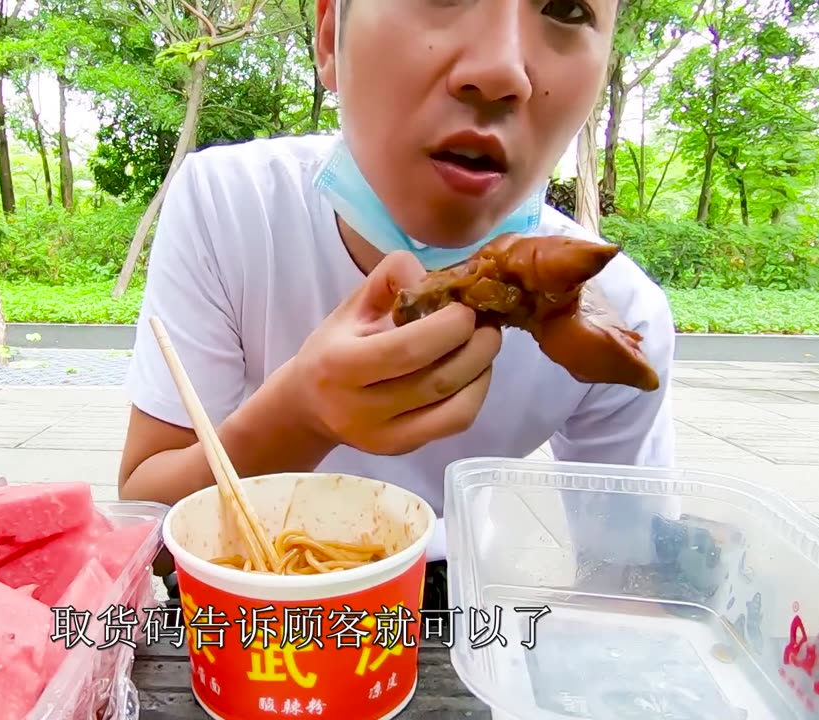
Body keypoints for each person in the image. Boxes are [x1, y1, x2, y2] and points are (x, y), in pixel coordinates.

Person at [119, 0, 677, 611]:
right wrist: (301, 413)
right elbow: (147, 537)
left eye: (567, 9)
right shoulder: (230, 206)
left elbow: (631, 583)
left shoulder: (618, 321)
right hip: (240, 593)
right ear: (331, 37)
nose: (499, 73)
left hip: (448, 604)